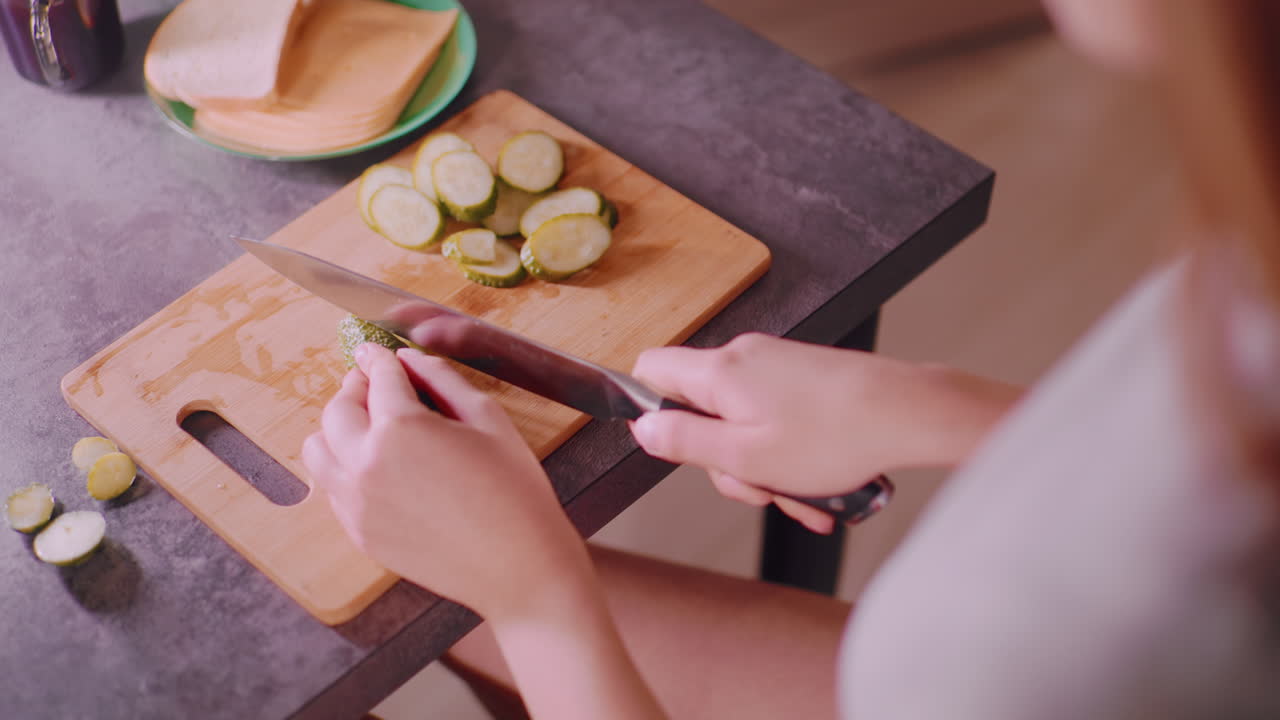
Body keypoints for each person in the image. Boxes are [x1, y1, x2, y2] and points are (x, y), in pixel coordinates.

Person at [303, 1, 1280, 717]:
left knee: (441, 598)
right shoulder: (1254, 232)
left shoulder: (1091, 659)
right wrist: (936, 410)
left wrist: (537, 604)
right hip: (922, 675)